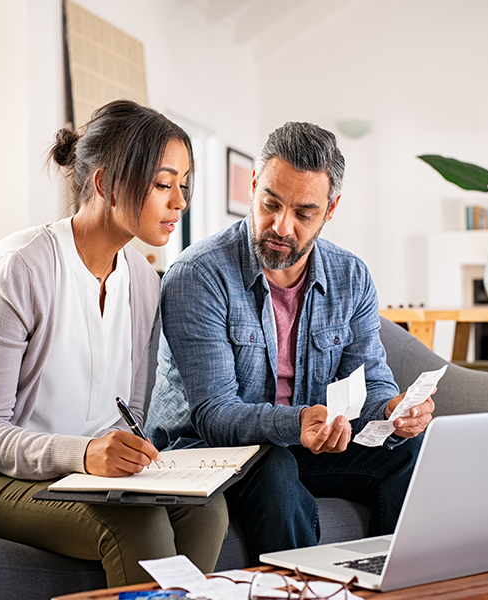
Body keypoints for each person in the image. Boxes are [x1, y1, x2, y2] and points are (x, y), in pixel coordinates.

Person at [0, 100, 228, 586]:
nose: (179, 202)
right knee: (139, 521)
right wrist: (84, 454)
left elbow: (126, 412)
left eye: (184, 185)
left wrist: (133, 457)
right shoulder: (18, 269)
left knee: (207, 510)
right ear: (106, 183)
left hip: (80, 475)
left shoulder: (146, 283)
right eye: (162, 183)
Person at [145, 121, 435, 565]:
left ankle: (387, 586)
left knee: (410, 454)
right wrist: (299, 422)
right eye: (271, 204)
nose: (281, 226)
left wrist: (392, 410)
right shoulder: (199, 275)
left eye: (303, 214)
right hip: (204, 450)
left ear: (330, 209)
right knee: (275, 467)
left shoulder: (350, 276)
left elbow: (371, 379)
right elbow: (213, 415)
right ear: (254, 185)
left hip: (301, 441)